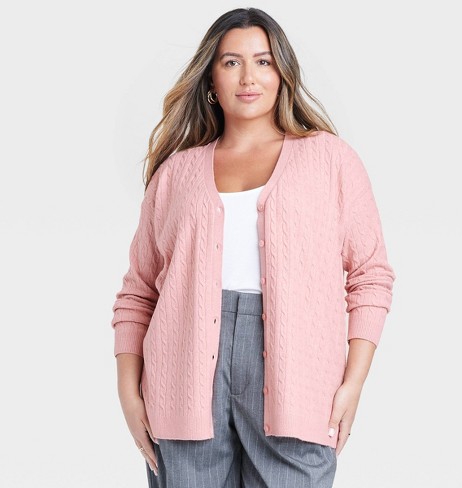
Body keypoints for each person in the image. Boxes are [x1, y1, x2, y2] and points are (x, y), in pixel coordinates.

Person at [110, 7, 396, 488]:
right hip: (181, 372)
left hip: (300, 375)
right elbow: (139, 291)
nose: (249, 77)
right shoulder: (176, 173)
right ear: (211, 78)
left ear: (282, 72)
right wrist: (127, 389)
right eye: (231, 62)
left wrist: (354, 382)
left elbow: (371, 275)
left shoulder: (330, 159)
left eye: (263, 61)